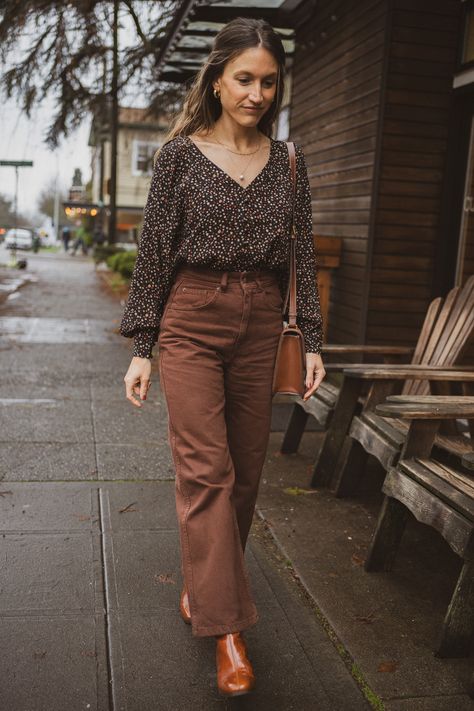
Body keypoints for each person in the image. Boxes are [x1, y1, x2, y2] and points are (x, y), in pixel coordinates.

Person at [120, 16, 326, 698]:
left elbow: (303, 256)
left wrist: (314, 341)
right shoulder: (179, 157)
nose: (257, 93)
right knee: (206, 471)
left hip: (262, 320)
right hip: (191, 320)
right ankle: (228, 630)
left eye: (269, 81)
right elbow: (152, 256)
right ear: (216, 77)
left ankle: (204, 590)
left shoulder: (290, 161)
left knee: (244, 475)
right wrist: (142, 347)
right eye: (244, 78)